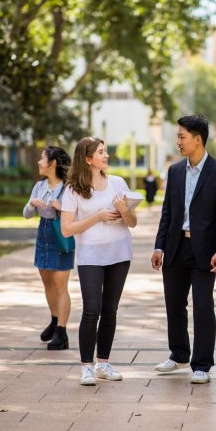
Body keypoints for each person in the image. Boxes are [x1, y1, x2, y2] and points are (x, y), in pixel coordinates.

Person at [151, 115, 216, 384]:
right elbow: (167, 213)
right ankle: (179, 354)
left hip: (204, 251)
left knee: (203, 306)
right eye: (178, 136)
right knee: (174, 304)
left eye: (182, 136)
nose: (178, 141)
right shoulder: (174, 172)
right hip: (174, 248)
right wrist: (159, 245)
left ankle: (202, 364)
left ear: (198, 139)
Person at [61, 137, 137, 385]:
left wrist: (123, 210)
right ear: (87, 158)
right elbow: (66, 229)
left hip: (119, 254)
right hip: (91, 256)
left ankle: (103, 363)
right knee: (91, 309)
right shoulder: (73, 189)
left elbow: (132, 223)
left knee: (110, 310)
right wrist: (98, 216)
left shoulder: (117, 183)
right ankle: (86, 367)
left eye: (106, 151)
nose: (106, 156)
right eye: (101, 152)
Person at [23, 146, 74, 350]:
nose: (38, 162)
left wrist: (61, 208)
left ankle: (62, 332)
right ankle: (55, 320)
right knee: (47, 283)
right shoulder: (39, 186)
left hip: (61, 235)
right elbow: (26, 214)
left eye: (42, 158)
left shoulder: (68, 187)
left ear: (52, 164)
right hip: (43, 234)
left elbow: (77, 213)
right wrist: (31, 205)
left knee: (60, 285)